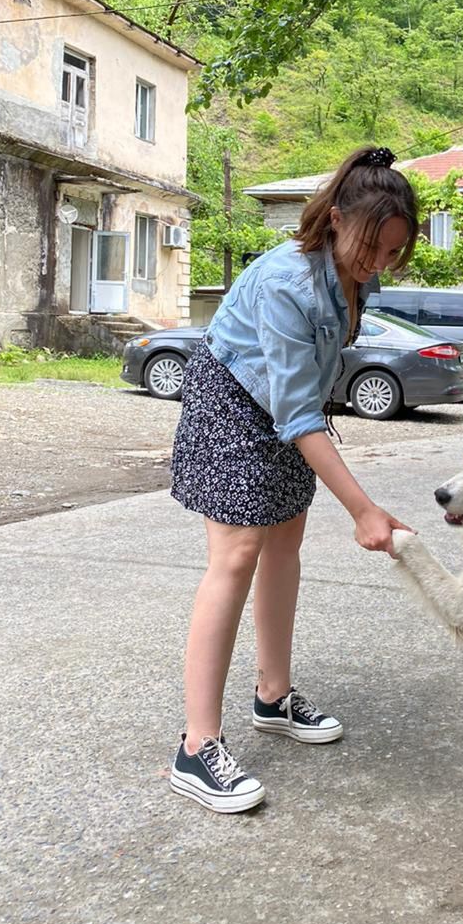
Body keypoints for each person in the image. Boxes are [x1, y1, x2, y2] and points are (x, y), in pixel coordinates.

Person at [168, 145, 419, 813]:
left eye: (393, 252)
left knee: (285, 545)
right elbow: (300, 414)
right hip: (230, 400)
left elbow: (303, 399)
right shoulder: (286, 282)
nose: (379, 263)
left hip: (281, 405)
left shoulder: (358, 274)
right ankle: (196, 747)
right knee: (236, 556)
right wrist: (365, 509)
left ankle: (272, 696)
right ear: (336, 218)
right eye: (373, 246)